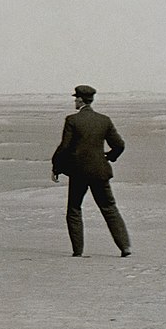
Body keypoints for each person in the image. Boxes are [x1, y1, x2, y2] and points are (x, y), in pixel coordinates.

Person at [51, 85, 131, 257]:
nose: (74, 101)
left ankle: (78, 252)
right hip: (100, 171)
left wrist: (56, 166)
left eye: (76, 98)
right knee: (109, 208)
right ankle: (125, 247)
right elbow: (119, 145)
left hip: (79, 172)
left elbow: (64, 147)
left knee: (74, 209)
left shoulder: (72, 120)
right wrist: (109, 157)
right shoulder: (104, 120)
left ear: (80, 99)